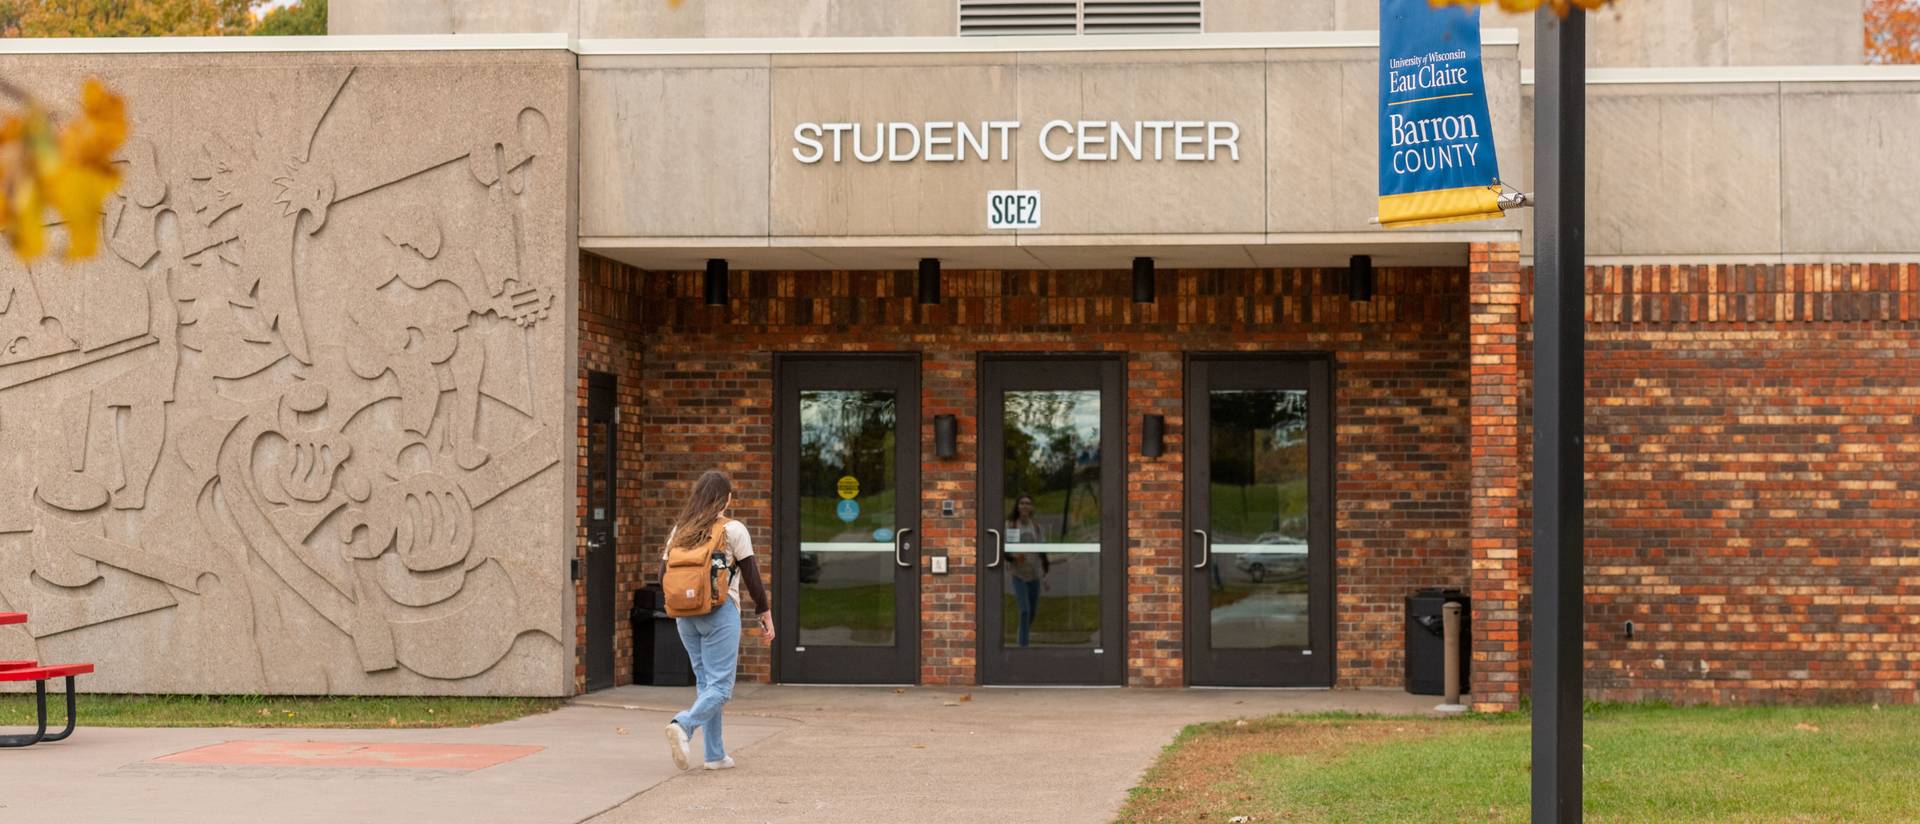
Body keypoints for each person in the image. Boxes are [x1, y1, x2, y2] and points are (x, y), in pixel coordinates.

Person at [661, 470, 772, 772]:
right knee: (721, 687)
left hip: (684, 616)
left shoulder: (679, 531)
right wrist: (765, 613)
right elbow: (752, 577)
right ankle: (683, 725)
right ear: (727, 499)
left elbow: (663, 577)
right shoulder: (733, 529)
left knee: (706, 684)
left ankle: (714, 755)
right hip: (719, 612)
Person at [1004, 494, 1050, 648]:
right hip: (1019, 575)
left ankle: (1021, 633)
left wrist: (1045, 574)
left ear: (1031, 508)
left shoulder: (1036, 527)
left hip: (1034, 575)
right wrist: (1014, 557)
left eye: (1028, 503)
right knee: (1024, 610)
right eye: (1022, 503)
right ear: (1017, 506)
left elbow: (1042, 552)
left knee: (1032, 613)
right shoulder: (1013, 526)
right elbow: (1007, 552)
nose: (1025, 506)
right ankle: (1023, 647)